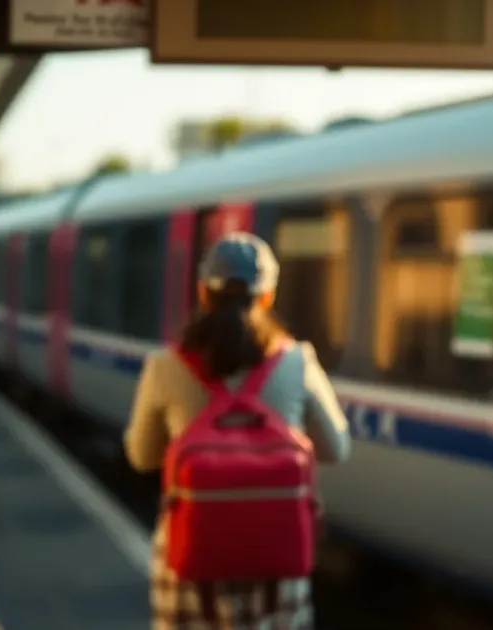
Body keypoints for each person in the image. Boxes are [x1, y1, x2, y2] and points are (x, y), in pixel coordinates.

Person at [124, 231, 352, 630]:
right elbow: (336, 448)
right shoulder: (299, 363)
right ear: (267, 297)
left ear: (202, 292)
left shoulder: (164, 366)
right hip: (275, 571)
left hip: (191, 566)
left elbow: (141, 456)